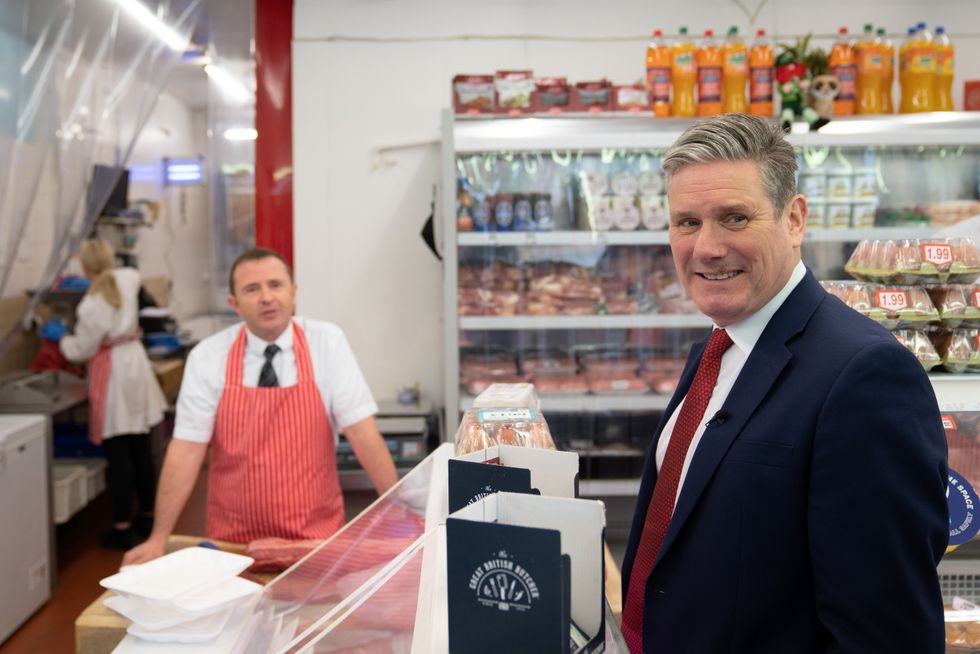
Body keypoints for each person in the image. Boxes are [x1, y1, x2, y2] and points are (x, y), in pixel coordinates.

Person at [620, 114, 948, 653]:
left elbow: (889, 638)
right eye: (687, 223)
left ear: (794, 219)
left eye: (734, 218)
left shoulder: (865, 376)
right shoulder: (713, 351)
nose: (707, 247)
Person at [123, 247, 398, 564]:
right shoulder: (209, 356)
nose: (267, 297)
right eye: (252, 289)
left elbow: (362, 432)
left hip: (315, 539)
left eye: (276, 285)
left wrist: (397, 513)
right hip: (232, 544)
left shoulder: (327, 342)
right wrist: (159, 537)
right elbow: (186, 448)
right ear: (234, 303)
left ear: (294, 293)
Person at [60, 238, 167, 550]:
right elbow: (127, 279)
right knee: (141, 451)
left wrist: (62, 339)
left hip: (114, 375)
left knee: (118, 456)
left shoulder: (91, 304)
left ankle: (122, 528)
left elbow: (82, 350)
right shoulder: (129, 279)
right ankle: (147, 516)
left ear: (85, 267)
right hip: (135, 364)